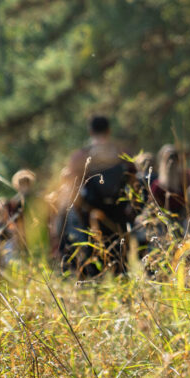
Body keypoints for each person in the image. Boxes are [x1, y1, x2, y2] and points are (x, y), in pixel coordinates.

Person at [64, 116, 139, 277]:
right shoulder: (122, 152)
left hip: (91, 211)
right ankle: (122, 284)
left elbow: (72, 185)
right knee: (120, 247)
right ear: (109, 130)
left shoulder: (81, 156)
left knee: (93, 248)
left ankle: (95, 287)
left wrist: (78, 209)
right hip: (118, 209)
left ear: (90, 131)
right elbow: (134, 179)